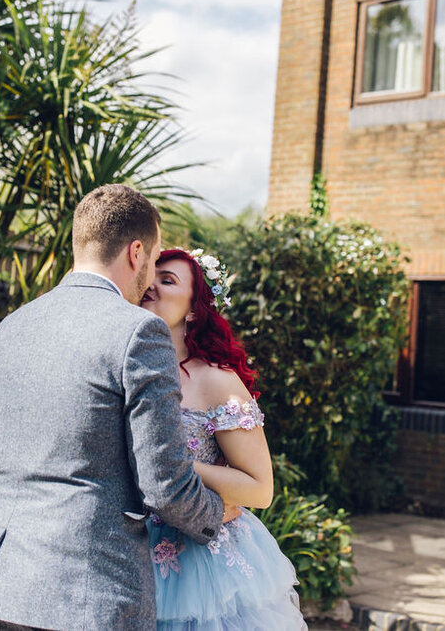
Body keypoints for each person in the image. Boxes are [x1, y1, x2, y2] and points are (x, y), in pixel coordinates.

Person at [0, 184, 226, 630]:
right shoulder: (139, 333)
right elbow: (164, 484)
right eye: (156, 258)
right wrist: (219, 514)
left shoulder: (9, 327)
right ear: (136, 252)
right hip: (86, 594)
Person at [142, 248, 308, 630]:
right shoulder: (121, 365)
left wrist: (173, 465)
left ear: (195, 309)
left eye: (168, 280)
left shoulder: (217, 381)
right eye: (151, 275)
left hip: (200, 566)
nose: (151, 285)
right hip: (128, 551)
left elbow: (259, 488)